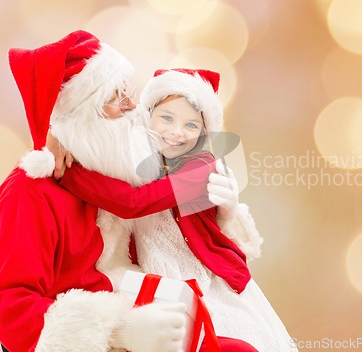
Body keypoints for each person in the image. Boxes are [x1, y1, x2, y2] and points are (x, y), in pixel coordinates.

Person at [0, 31, 258, 351]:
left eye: (129, 90)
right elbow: (9, 310)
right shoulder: (30, 193)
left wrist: (229, 213)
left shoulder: (117, 171)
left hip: (169, 297)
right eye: (114, 96)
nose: (132, 105)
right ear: (80, 113)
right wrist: (118, 331)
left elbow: (137, 204)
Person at [58, 69, 298, 351]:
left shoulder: (201, 167)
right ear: (148, 115)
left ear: (204, 133)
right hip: (157, 278)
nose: (176, 133)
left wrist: (69, 173)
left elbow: (134, 203)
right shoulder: (133, 155)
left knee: (234, 341)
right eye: (167, 118)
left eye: (191, 126)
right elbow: (101, 138)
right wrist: (63, 139)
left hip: (208, 280)